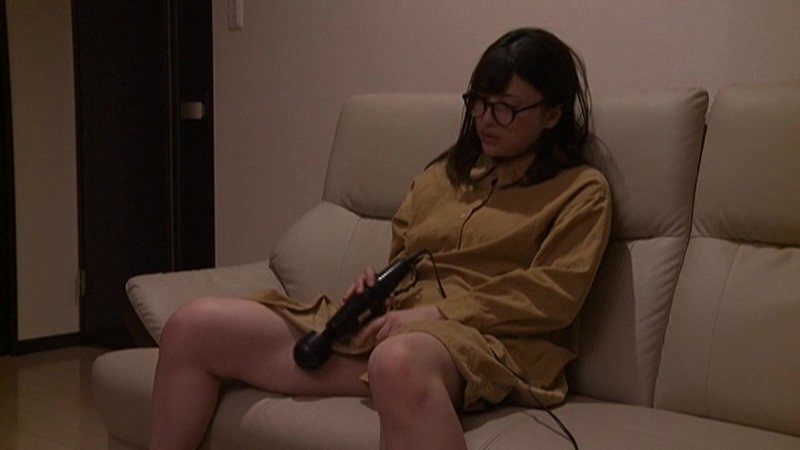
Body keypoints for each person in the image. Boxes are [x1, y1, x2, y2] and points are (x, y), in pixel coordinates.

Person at [149, 27, 611, 450]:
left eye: (505, 108)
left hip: (487, 345)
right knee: (193, 327)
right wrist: (378, 292)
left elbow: (553, 295)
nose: (486, 119)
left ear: (552, 114)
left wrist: (439, 313)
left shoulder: (580, 191)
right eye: (478, 102)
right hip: (395, 329)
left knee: (397, 361)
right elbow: (406, 261)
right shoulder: (441, 178)